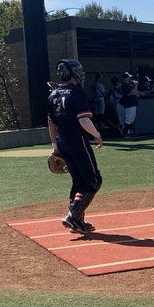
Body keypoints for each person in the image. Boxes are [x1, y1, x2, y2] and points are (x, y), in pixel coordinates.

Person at [47, 59, 104, 234]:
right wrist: (97, 135)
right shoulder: (76, 93)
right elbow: (84, 119)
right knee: (93, 181)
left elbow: (51, 122)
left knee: (78, 182)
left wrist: (55, 145)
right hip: (77, 140)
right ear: (73, 73)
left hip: (62, 140)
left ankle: (77, 221)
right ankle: (72, 216)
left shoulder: (53, 94)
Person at [117, 72, 139, 137]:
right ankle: (124, 133)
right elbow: (132, 92)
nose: (130, 78)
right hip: (129, 104)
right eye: (128, 77)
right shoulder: (124, 85)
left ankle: (129, 133)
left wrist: (135, 88)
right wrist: (136, 85)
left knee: (131, 120)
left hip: (132, 103)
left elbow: (137, 94)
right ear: (126, 78)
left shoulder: (130, 85)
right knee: (127, 121)